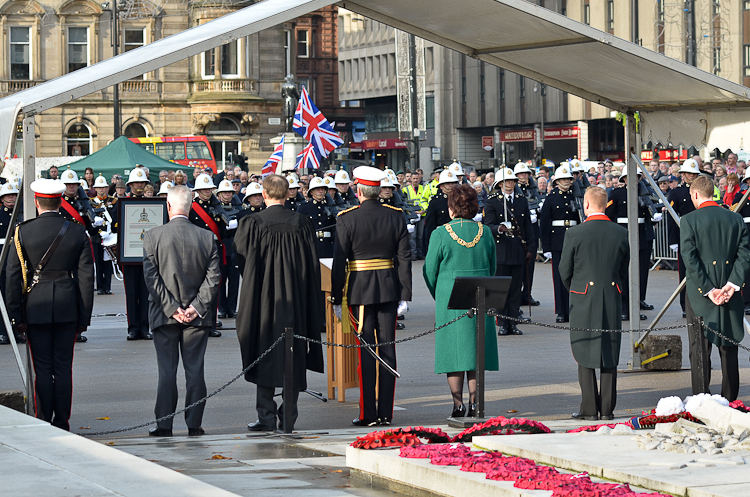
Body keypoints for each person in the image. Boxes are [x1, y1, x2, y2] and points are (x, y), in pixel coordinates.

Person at [234, 174, 324, 432]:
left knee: (264, 349)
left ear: (264, 194)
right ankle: (289, 416)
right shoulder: (302, 223)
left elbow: (240, 255)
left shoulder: (252, 222)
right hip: (295, 299)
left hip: (262, 299)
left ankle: (265, 416)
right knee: (293, 352)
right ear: (287, 195)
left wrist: (253, 279)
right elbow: (312, 263)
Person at [6, 179, 94, 431]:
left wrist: (15, 315)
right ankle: (62, 421)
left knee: (42, 368)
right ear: (60, 201)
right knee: (63, 367)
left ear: (36, 202)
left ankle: (45, 422)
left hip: (35, 307)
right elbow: (87, 278)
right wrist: (83, 317)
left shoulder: (23, 231)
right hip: (68, 307)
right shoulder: (77, 231)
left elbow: (13, 276)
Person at [331, 166, 412, 427]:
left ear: (359, 191)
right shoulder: (396, 215)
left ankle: (368, 413)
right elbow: (404, 257)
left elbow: (339, 261)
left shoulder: (346, 218)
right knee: (388, 349)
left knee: (366, 353)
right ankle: (385, 412)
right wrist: (404, 294)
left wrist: (336, 297)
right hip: (389, 289)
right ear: (378, 191)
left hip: (360, 291)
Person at [142, 185, 221, 437]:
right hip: (197, 318)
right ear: (190, 207)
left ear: (168, 206)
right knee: (195, 371)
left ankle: (164, 424)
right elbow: (214, 278)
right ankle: (194, 424)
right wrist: (195, 308)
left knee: (167, 371)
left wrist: (172, 308)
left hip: (164, 316)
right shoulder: (207, 237)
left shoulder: (153, 236)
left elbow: (151, 279)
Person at [423, 185, 498, 418]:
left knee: (453, 353)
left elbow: (429, 271)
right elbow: (492, 266)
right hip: (479, 296)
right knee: (477, 352)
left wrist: (440, 294)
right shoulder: (484, 232)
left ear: (451, 208)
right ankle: (476, 404)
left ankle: (458, 405)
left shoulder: (440, 233)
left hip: (450, 298)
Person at [559, 186, 628, 421]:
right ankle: (607, 409)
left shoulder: (575, 233)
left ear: (586, 205)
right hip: (611, 295)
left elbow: (564, 270)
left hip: (583, 296)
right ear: (606, 204)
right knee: (609, 352)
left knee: (584, 351)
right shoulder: (620, 232)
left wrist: (577, 290)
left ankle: (589, 408)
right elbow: (623, 268)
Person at [681, 175, 750, 402]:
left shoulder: (689, 220)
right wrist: (731, 285)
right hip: (730, 291)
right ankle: (730, 399)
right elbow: (744, 255)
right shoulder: (735, 219)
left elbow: (690, 260)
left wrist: (709, 289)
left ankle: (702, 399)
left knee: (699, 348)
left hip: (701, 293)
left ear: (695, 194)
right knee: (729, 346)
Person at [483, 167, 536, 335]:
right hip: (501, 249)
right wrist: (498, 228)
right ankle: (502, 323)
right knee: (501, 289)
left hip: (518, 249)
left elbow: (528, 226)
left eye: (512, 181)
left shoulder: (521, 200)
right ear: (499, 184)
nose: (510, 183)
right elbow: (487, 225)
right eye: (506, 181)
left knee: (515, 288)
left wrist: (530, 248)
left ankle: (513, 322)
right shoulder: (492, 201)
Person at [605, 169, 659, 320]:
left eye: (636, 177)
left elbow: (650, 212)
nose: (633, 180)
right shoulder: (616, 194)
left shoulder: (644, 193)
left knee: (640, 272)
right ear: (625, 179)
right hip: (624, 234)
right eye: (629, 177)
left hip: (642, 235)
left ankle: (636, 306)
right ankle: (623, 307)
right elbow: (610, 215)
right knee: (624, 273)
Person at [189, 174, 234, 338]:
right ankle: (198, 321)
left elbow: (222, 232)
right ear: (198, 191)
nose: (207, 192)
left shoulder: (217, 207)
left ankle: (211, 322)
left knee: (213, 288)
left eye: (209, 189)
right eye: (204, 189)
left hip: (215, 249)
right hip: (198, 251)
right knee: (198, 288)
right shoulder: (192, 208)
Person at [539, 165, 580, 323]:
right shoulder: (551, 198)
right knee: (559, 277)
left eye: (569, 179)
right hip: (558, 241)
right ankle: (561, 310)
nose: (567, 181)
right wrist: (547, 247)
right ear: (556, 181)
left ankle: (574, 308)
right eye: (563, 179)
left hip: (574, 239)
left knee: (575, 276)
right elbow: (545, 224)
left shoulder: (576, 196)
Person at [120, 166, 153, 341]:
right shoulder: (122, 203)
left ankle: (145, 327)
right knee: (131, 293)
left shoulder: (153, 204)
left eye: (142, 182)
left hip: (148, 256)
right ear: (130, 185)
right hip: (129, 255)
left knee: (146, 293)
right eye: (136, 183)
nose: (139, 185)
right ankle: (133, 327)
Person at [667, 158, 701, 317]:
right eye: (688, 173)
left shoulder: (701, 191)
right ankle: (684, 305)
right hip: (684, 236)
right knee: (685, 272)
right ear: (683, 175)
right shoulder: (677, 192)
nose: (691, 176)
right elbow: (672, 218)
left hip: (701, 235)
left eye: (694, 174)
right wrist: (673, 240)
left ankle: (700, 301)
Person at [514, 162, 542, 307]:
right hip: (520, 230)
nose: (524, 176)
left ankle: (527, 293)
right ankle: (517, 294)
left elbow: (537, 202)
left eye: (526, 174)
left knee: (530, 266)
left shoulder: (532, 188)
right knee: (519, 265)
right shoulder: (515, 189)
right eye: (522, 174)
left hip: (532, 229)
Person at [0, 182, 22, 345]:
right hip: (2, 258)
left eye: (14, 195)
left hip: (18, 259)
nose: (11, 197)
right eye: (8, 195)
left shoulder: (22, 213)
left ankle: (17, 330)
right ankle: (2, 331)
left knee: (17, 296)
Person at [297, 176, 337, 258]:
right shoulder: (304, 208)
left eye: (322, 189)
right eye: (317, 189)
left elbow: (335, 229)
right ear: (311, 192)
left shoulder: (330, 207)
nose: (320, 191)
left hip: (328, 246)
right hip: (311, 246)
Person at [91, 174, 117, 295]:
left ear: (107, 188)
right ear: (95, 188)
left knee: (108, 263)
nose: (102, 189)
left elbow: (116, 218)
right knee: (99, 262)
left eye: (104, 187)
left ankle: (108, 286)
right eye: (99, 187)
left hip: (110, 236)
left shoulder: (113, 201)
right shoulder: (91, 202)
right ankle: (100, 287)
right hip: (97, 236)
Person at [423, 169, 458, 254]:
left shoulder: (461, 200)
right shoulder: (435, 202)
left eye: (453, 183)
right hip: (443, 239)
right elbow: (429, 226)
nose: (451, 185)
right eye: (448, 183)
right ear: (441, 186)